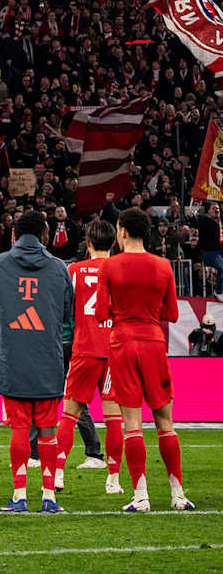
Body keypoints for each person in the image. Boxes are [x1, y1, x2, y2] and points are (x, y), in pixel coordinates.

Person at [97, 208, 193, 512]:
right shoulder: (163, 265)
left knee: (132, 425)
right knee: (166, 422)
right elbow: (173, 314)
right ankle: (177, 494)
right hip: (153, 342)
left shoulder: (110, 266)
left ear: (122, 231)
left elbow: (101, 314)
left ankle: (141, 496)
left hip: (123, 343)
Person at [0, 210, 71, 513]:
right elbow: (67, 314)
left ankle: (20, 496)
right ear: (45, 234)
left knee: (19, 428)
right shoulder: (59, 268)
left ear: (14, 235)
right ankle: (49, 497)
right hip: (47, 358)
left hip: (12, 358)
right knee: (47, 429)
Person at [57, 220, 126, 495]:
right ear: (114, 243)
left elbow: (64, 310)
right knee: (114, 418)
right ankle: (113, 480)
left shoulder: (73, 271)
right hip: (114, 350)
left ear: (88, 244)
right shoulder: (121, 269)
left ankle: (58, 473)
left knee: (69, 414)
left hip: (83, 349)